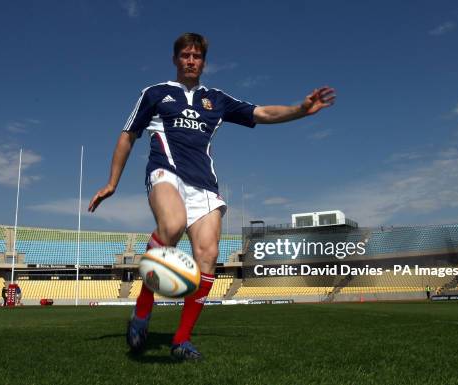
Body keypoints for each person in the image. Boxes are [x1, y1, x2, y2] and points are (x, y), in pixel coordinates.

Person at [88, 32, 335, 360]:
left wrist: (301, 110)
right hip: (165, 174)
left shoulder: (216, 99)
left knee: (207, 255)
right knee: (172, 226)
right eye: (185, 55)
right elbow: (127, 136)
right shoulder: (155, 93)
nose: (191, 61)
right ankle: (142, 312)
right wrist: (112, 182)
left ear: (204, 62)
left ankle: (181, 340)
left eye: (197, 56)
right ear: (176, 59)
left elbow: (262, 113)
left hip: (204, 186)